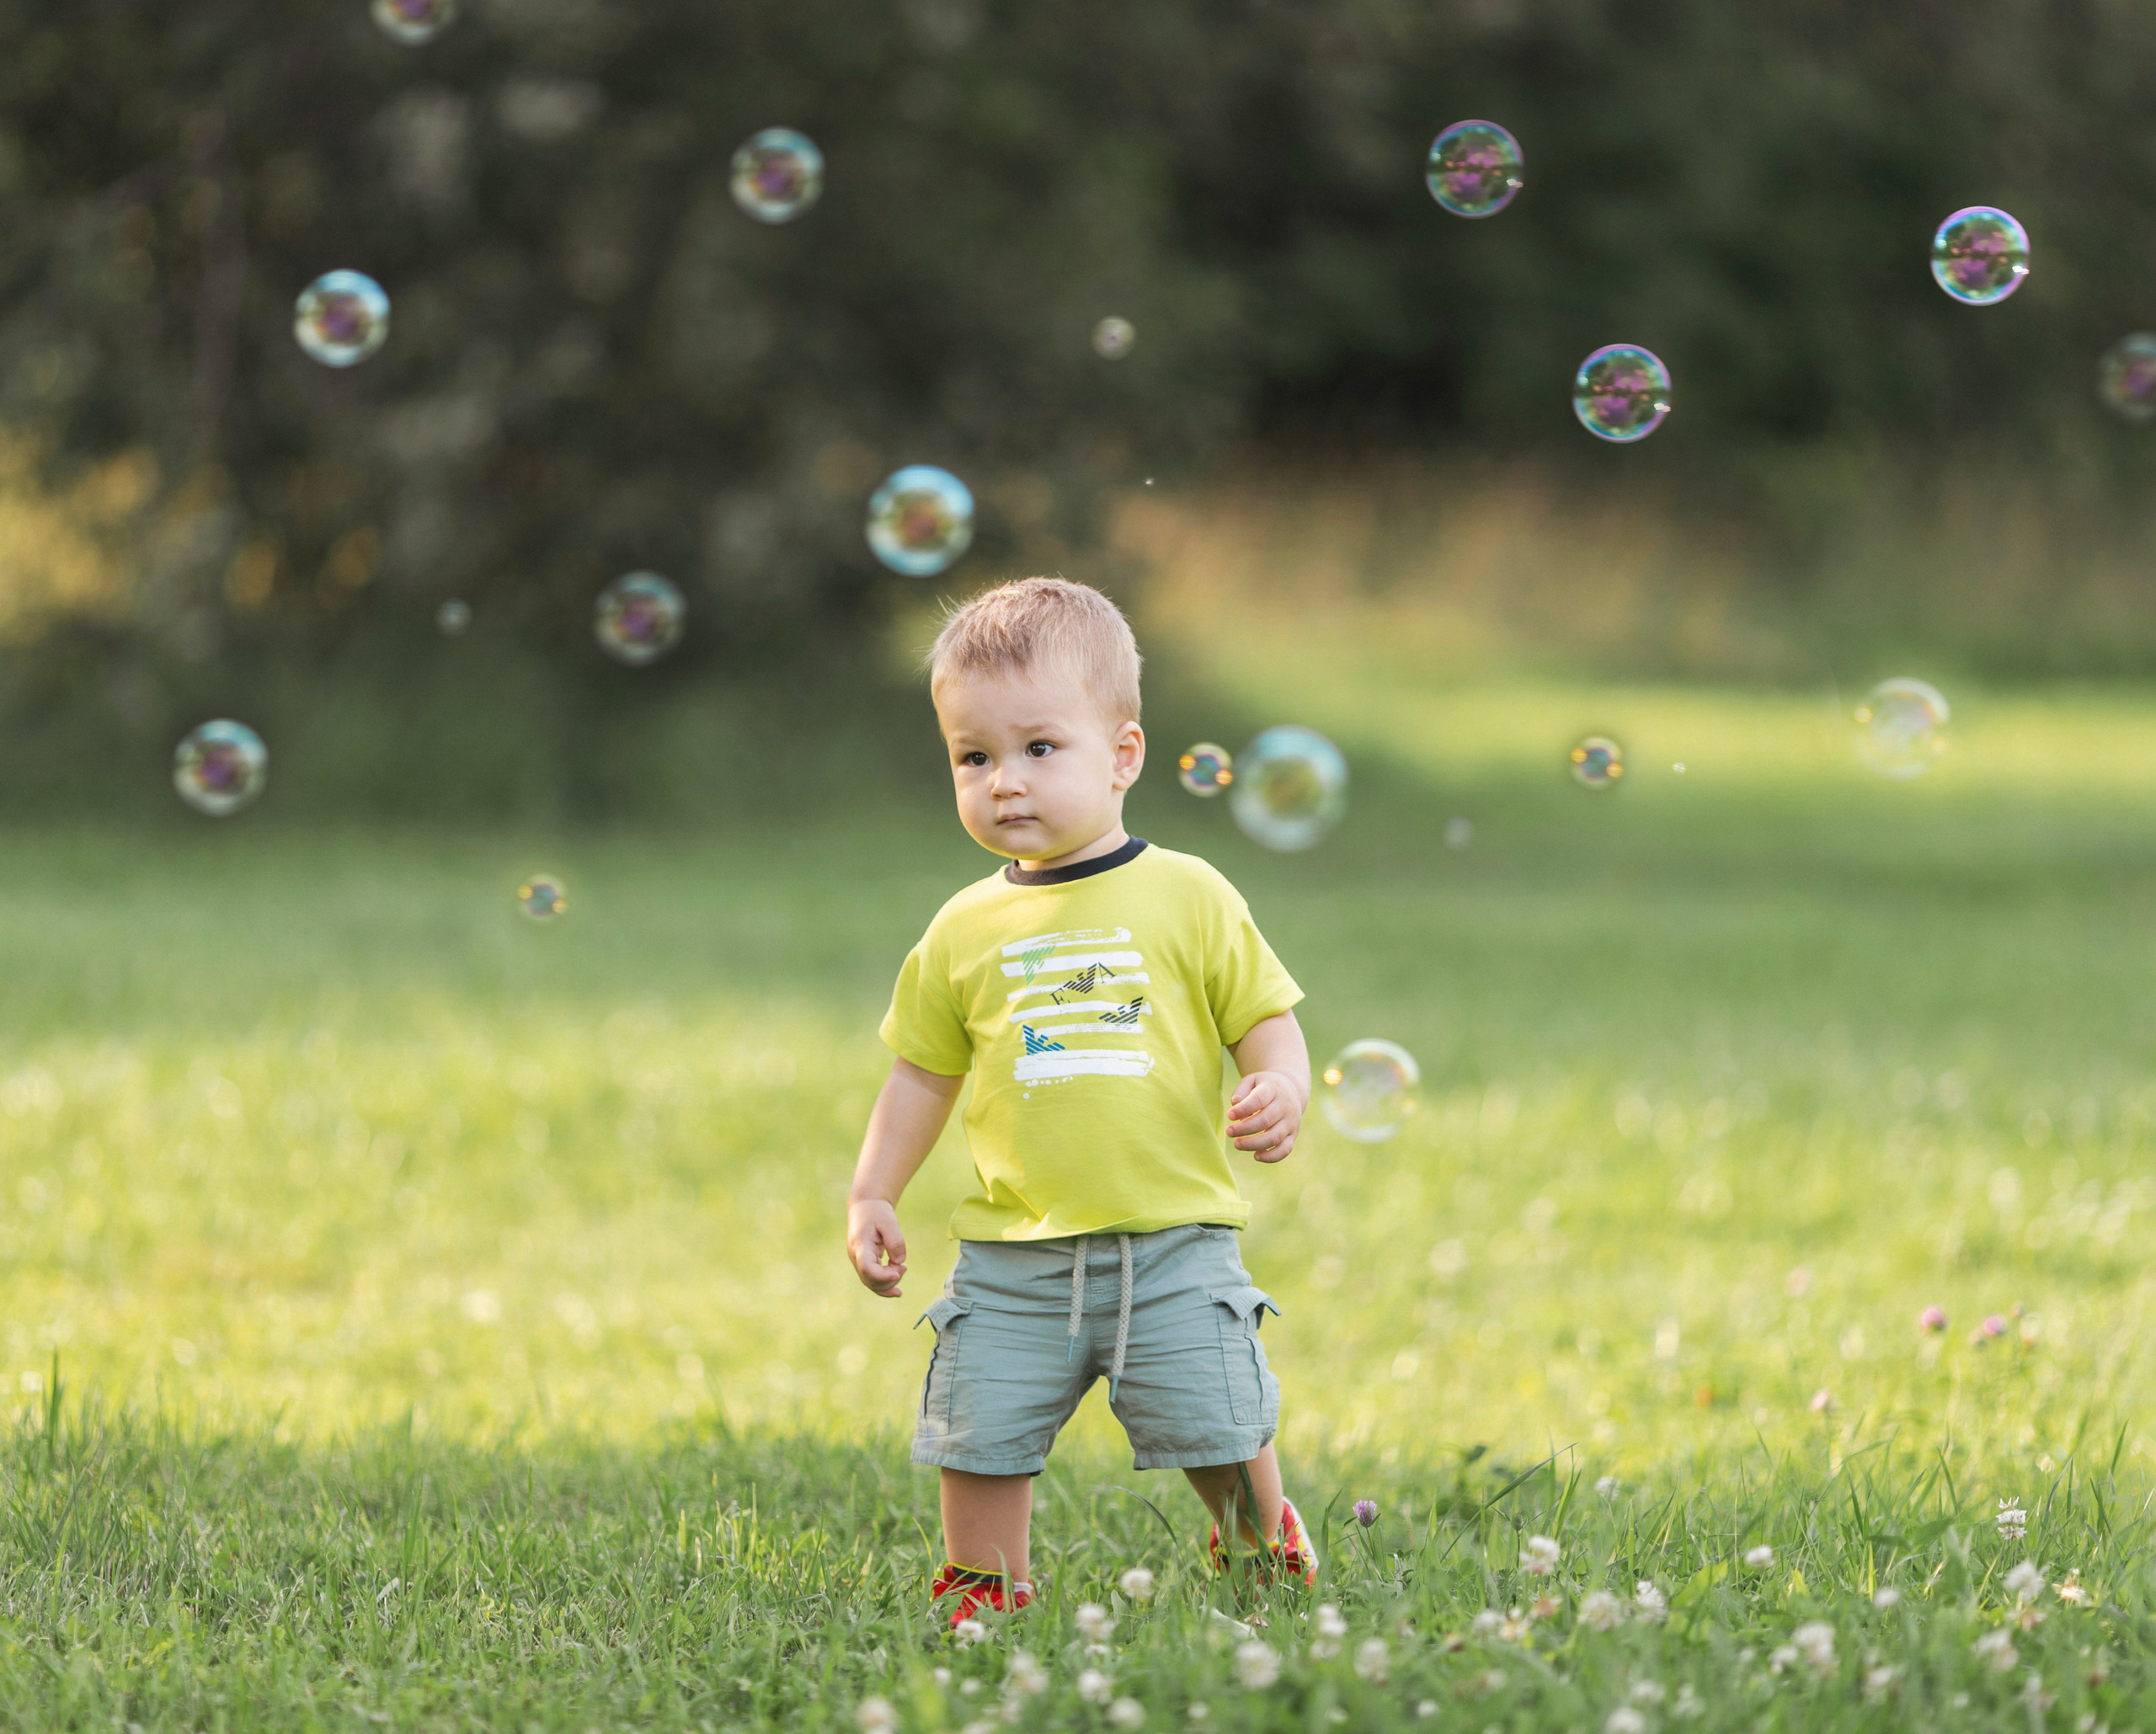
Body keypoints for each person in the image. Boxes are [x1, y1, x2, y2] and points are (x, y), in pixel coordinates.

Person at [844, 575, 1315, 1625]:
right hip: (1013, 1254)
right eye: (973, 757)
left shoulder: (1188, 892)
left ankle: (1258, 1544)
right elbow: (922, 1071)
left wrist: (1279, 1082)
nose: (1004, 782)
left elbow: (1265, 1018)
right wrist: (874, 1188)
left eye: (1038, 748)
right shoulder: (962, 927)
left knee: (1217, 1420)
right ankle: (984, 1583)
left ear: (1124, 755)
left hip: (1172, 1241)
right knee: (981, 1430)